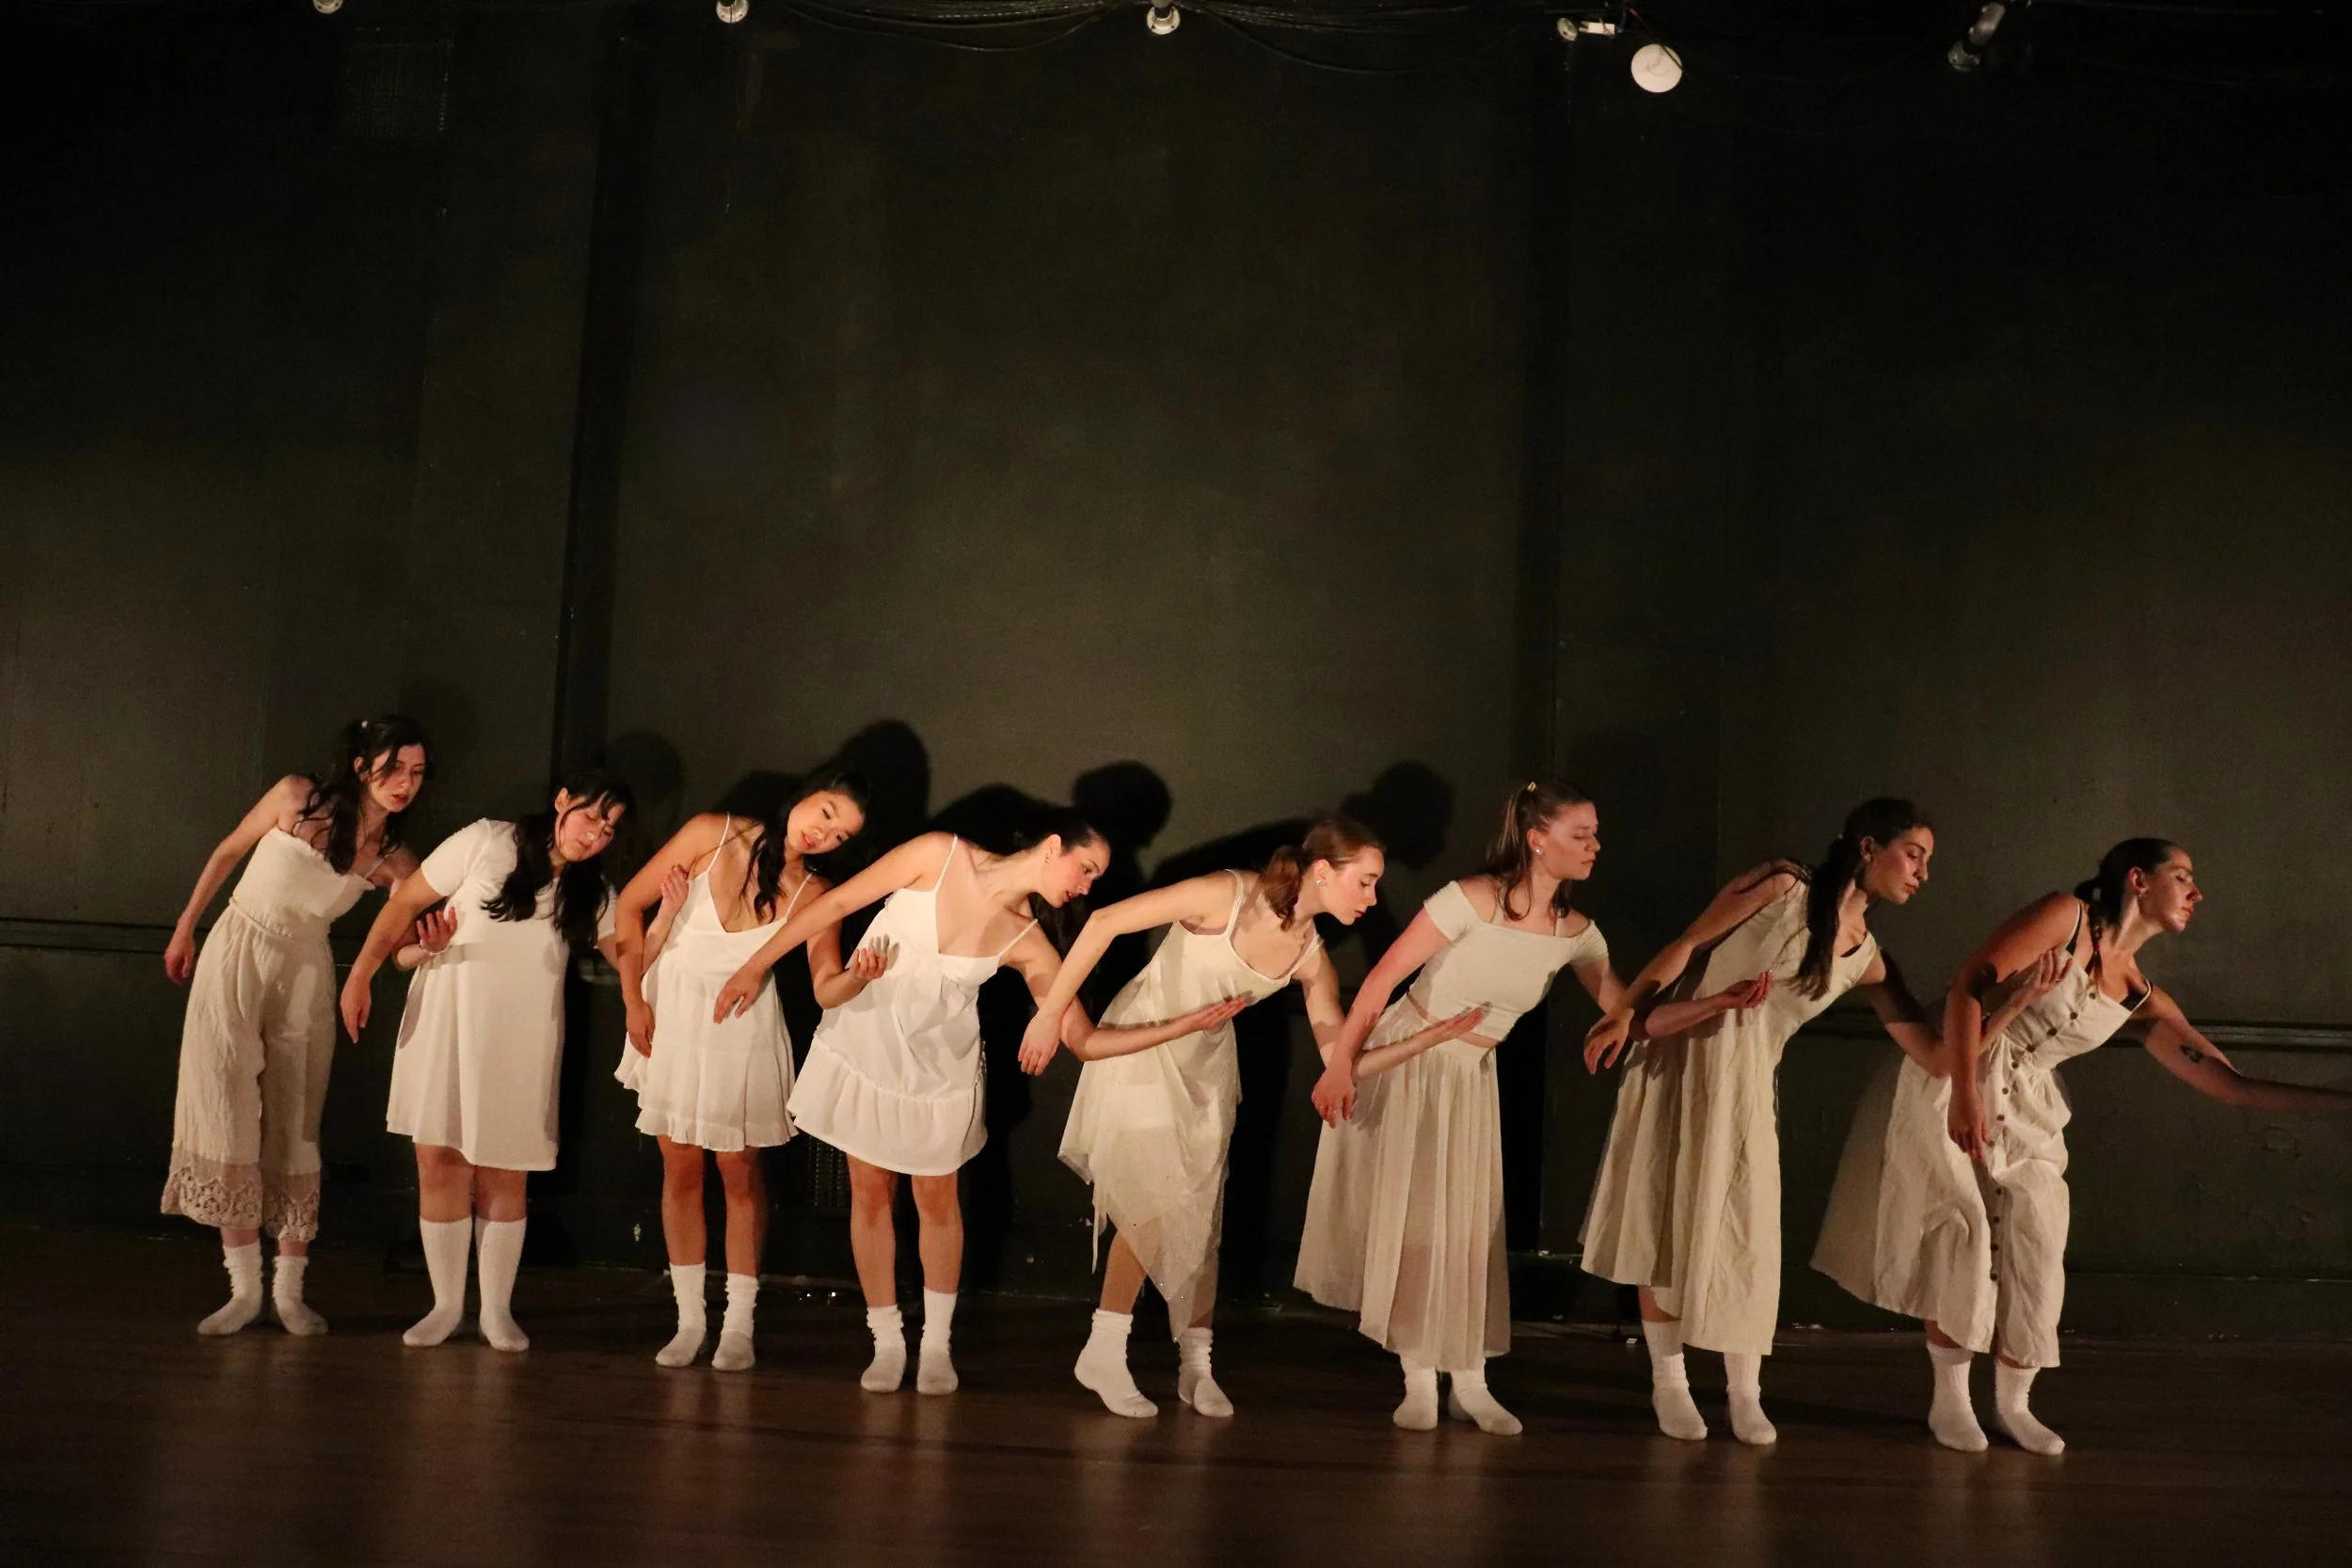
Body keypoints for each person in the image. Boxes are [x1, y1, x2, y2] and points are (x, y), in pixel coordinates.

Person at [1814, 838, 2352, 1454]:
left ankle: (2014, 1402)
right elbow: (1968, 984)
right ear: (2138, 880)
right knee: (1960, 1230)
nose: (2196, 891)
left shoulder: (2142, 996)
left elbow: (2230, 1085)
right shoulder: (2064, 917)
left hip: (2028, 1105)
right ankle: (1951, 1399)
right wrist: (1964, 1092)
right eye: (2183, 876)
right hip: (1955, 1070)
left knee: (2039, 1230)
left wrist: (2340, 1101)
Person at [711, 812, 1243, 1395]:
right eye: (1084, 869)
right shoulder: (938, 855)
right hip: (865, 1041)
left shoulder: (1028, 940)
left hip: (940, 1068)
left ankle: (936, 1345)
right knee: (869, 1193)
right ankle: (886, 1340)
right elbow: (832, 907)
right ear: (1053, 846)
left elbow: (1084, 1041)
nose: (1086, 886)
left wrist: (1184, 1024)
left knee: (938, 1198)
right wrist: (753, 966)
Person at [1021, 818, 1479, 1418]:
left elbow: (1338, 1060)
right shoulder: (1226, 894)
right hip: (1143, 1046)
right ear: (1323, 872)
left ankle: (1197, 1364)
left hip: (1207, 1070)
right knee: (1150, 1203)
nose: (1371, 899)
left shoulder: (1312, 959)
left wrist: (1426, 1039)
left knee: (1200, 1216)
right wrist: (1050, 1014)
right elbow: (1106, 922)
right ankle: (1104, 1349)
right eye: (1364, 883)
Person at [1578, 798, 1946, 1445]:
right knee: (1662, 1220)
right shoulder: (1782, 886)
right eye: (1913, 854)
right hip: (1679, 1063)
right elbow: (1688, 943)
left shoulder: (1866, 956)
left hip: (1743, 1086)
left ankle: (1744, 1391)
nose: (1921, 872)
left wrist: (2011, 1008)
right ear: (1868, 847)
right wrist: (1622, 1012)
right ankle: (1670, 1383)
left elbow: (1932, 1050)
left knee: (1744, 1236)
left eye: (1927, 861)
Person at [1300, 780, 1637, 1434]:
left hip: (1469, 1074)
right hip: (1409, 1061)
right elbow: (1381, 979)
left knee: (1467, 1224)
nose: (1594, 846)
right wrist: (1341, 1061)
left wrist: (1706, 1003)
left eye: (1596, 833)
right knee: (1421, 1221)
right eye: (1580, 834)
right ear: (1537, 840)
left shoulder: (1576, 932)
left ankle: (1472, 1379)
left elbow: (1623, 1007)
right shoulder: (1471, 900)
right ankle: (1420, 1379)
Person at [340, 768, 634, 1352]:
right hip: (450, 1017)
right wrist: (361, 975)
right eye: (590, 816)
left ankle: (496, 1310)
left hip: (522, 1036)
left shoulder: (593, 892)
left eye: (609, 829)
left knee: (505, 1167)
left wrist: (665, 930)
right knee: (440, 1159)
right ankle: (446, 1305)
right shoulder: (487, 841)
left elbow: (631, 953)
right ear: (560, 801)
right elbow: (407, 903)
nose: (595, 835)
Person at [160, 716, 429, 1336]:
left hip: (305, 970)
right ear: (362, 766)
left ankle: (288, 1290)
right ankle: (244, 1287)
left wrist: (430, 942)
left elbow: (402, 942)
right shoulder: (295, 796)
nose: (404, 783)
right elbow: (229, 848)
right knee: (225, 1104)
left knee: (295, 1114)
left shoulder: (395, 860)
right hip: (237, 947)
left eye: (415, 773)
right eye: (393, 768)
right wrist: (184, 926)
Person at [610, 767, 871, 1370]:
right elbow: (628, 905)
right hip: (670, 1015)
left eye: (841, 836)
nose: (824, 835)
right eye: (826, 813)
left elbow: (827, 987)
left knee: (739, 1174)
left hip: (741, 1030)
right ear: (805, 797)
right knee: (679, 1170)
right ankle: (688, 1320)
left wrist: (862, 974)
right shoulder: (712, 832)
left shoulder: (815, 893)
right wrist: (633, 1001)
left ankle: (738, 1324)